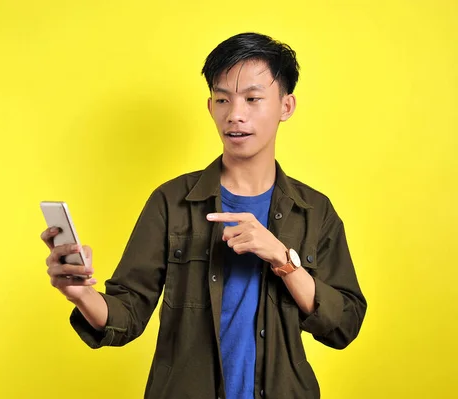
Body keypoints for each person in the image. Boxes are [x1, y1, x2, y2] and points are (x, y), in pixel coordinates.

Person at [41, 32, 367, 399]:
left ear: (286, 107)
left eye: (253, 99)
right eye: (222, 99)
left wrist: (283, 260)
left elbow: (344, 325)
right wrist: (80, 295)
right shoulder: (171, 201)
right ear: (210, 106)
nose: (235, 114)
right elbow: (127, 315)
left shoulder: (314, 211)